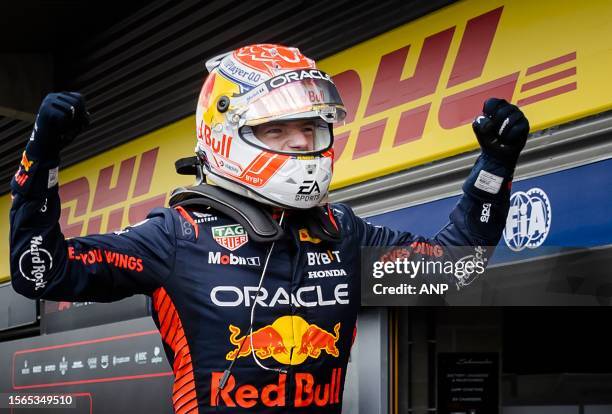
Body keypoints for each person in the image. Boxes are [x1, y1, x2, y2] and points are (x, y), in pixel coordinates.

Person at [9, 44, 529, 413]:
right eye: (276, 130)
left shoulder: (341, 232)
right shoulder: (177, 234)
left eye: (310, 128)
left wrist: (494, 168)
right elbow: (42, 273)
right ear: (225, 136)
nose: (302, 144)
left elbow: (455, 272)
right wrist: (42, 157)